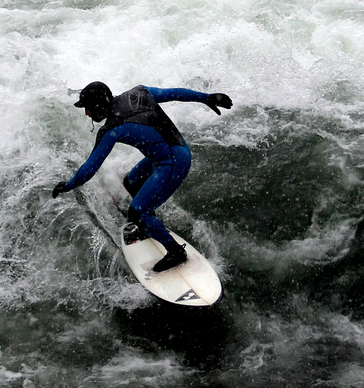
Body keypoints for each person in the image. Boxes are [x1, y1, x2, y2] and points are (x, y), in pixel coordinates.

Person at [52, 82, 233, 272]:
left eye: (88, 108)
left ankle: (175, 252)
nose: (87, 113)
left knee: (136, 213)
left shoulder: (111, 129)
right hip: (171, 153)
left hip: (172, 162)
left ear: (98, 105)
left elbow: (91, 167)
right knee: (131, 182)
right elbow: (173, 93)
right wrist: (206, 97)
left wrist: (68, 185)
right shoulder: (138, 93)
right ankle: (148, 222)